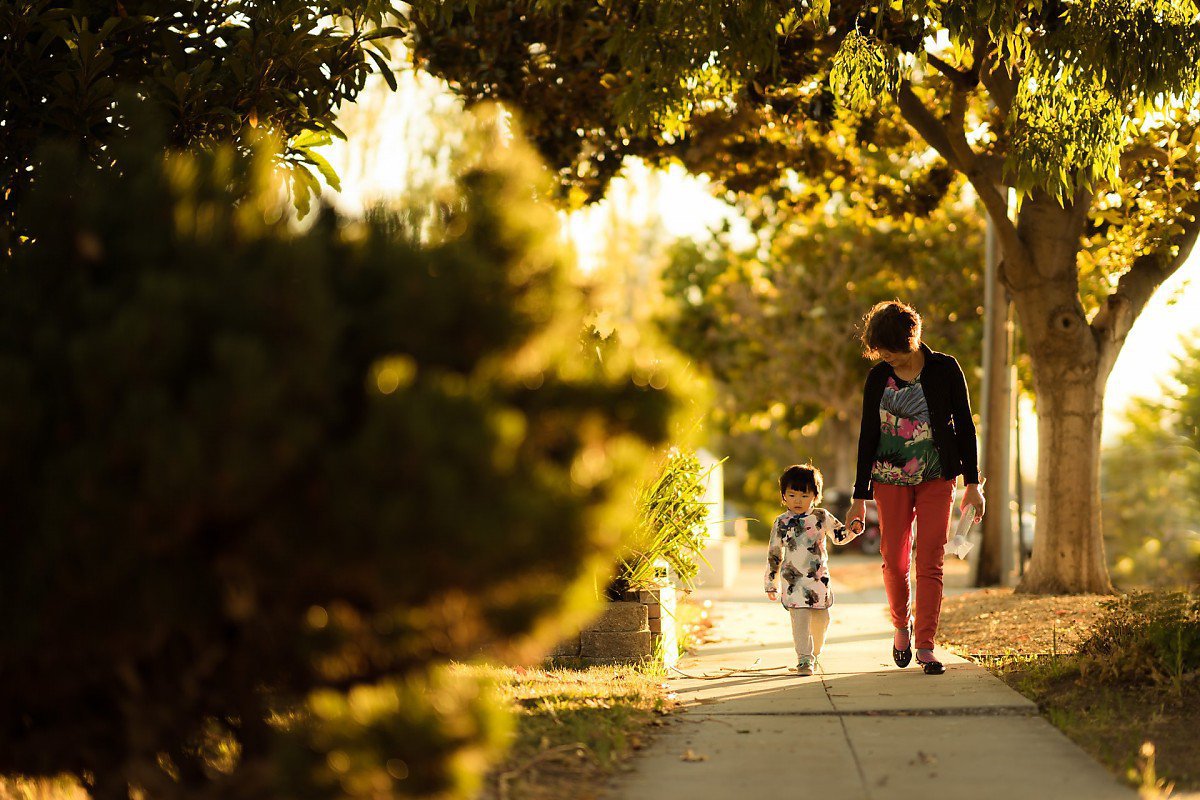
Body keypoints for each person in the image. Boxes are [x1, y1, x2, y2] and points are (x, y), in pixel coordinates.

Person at [847, 300, 985, 676]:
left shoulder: (945, 368)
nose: (884, 357)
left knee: (930, 560)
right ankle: (900, 626)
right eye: (880, 351)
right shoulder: (878, 377)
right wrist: (859, 496)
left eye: (890, 350)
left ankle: (925, 643)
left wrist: (972, 483)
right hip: (888, 480)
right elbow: (868, 435)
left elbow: (965, 427)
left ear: (910, 340)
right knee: (894, 559)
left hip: (937, 476)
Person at [765, 464, 863, 676]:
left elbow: (839, 537)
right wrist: (770, 582)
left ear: (815, 496)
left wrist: (853, 531)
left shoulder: (821, 516)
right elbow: (774, 553)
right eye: (791, 495)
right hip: (793, 583)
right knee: (799, 621)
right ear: (783, 496)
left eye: (804, 495)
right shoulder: (781, 522)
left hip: (818, 581)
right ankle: (803, 658)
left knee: (821, 621)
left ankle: (815, 652)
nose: (797, 501)